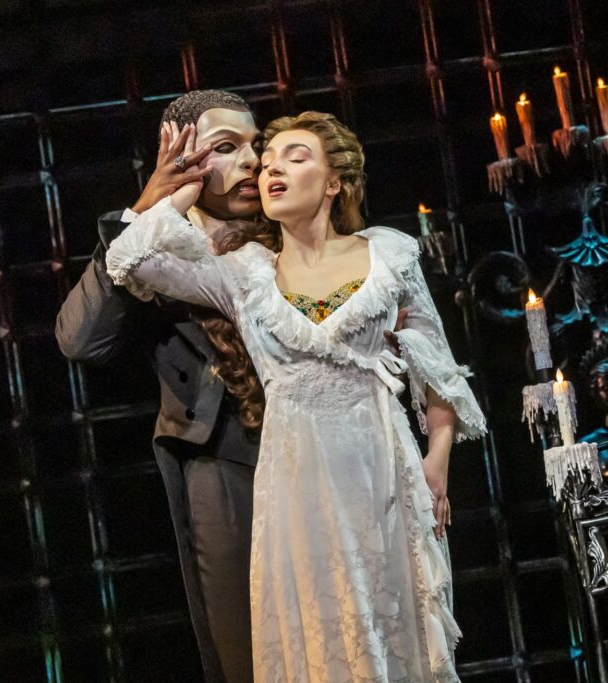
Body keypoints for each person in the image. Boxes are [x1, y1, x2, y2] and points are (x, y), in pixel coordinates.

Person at [104, 110, 486, 682]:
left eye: (295, 156)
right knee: (320, 635)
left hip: (383, 475)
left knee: (392, 633)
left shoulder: (388, 255)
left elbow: (436, 365)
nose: (272, 169)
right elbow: (130, 257)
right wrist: (184, 188)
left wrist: (438, 460)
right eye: (267, 163)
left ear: (334, 182)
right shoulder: (243, 274)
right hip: (296, 487)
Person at [56, 89, 267, 683]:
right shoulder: (153, 251)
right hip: (224, 459)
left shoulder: (292, 226)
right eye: (226, 147)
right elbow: (81, 340)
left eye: (255, 144)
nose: (252, 161)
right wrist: (143, 213)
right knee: (249, 651)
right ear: (180, 157)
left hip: (320, 452)